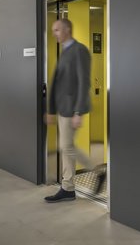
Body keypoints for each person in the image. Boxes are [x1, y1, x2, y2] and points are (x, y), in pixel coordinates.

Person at [45, 18, 105, 203]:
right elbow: (59, 82)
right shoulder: (65, 51)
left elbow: (83, 81)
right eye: (53, 30)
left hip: (72, 108)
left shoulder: (79, 50)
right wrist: (52, 109)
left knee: (66, 147)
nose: (54, 33)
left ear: (67, 30)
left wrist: (78, 111)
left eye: (57, 30)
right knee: (66, 147)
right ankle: (68, 188)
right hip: (63, 108)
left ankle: (96, 172)